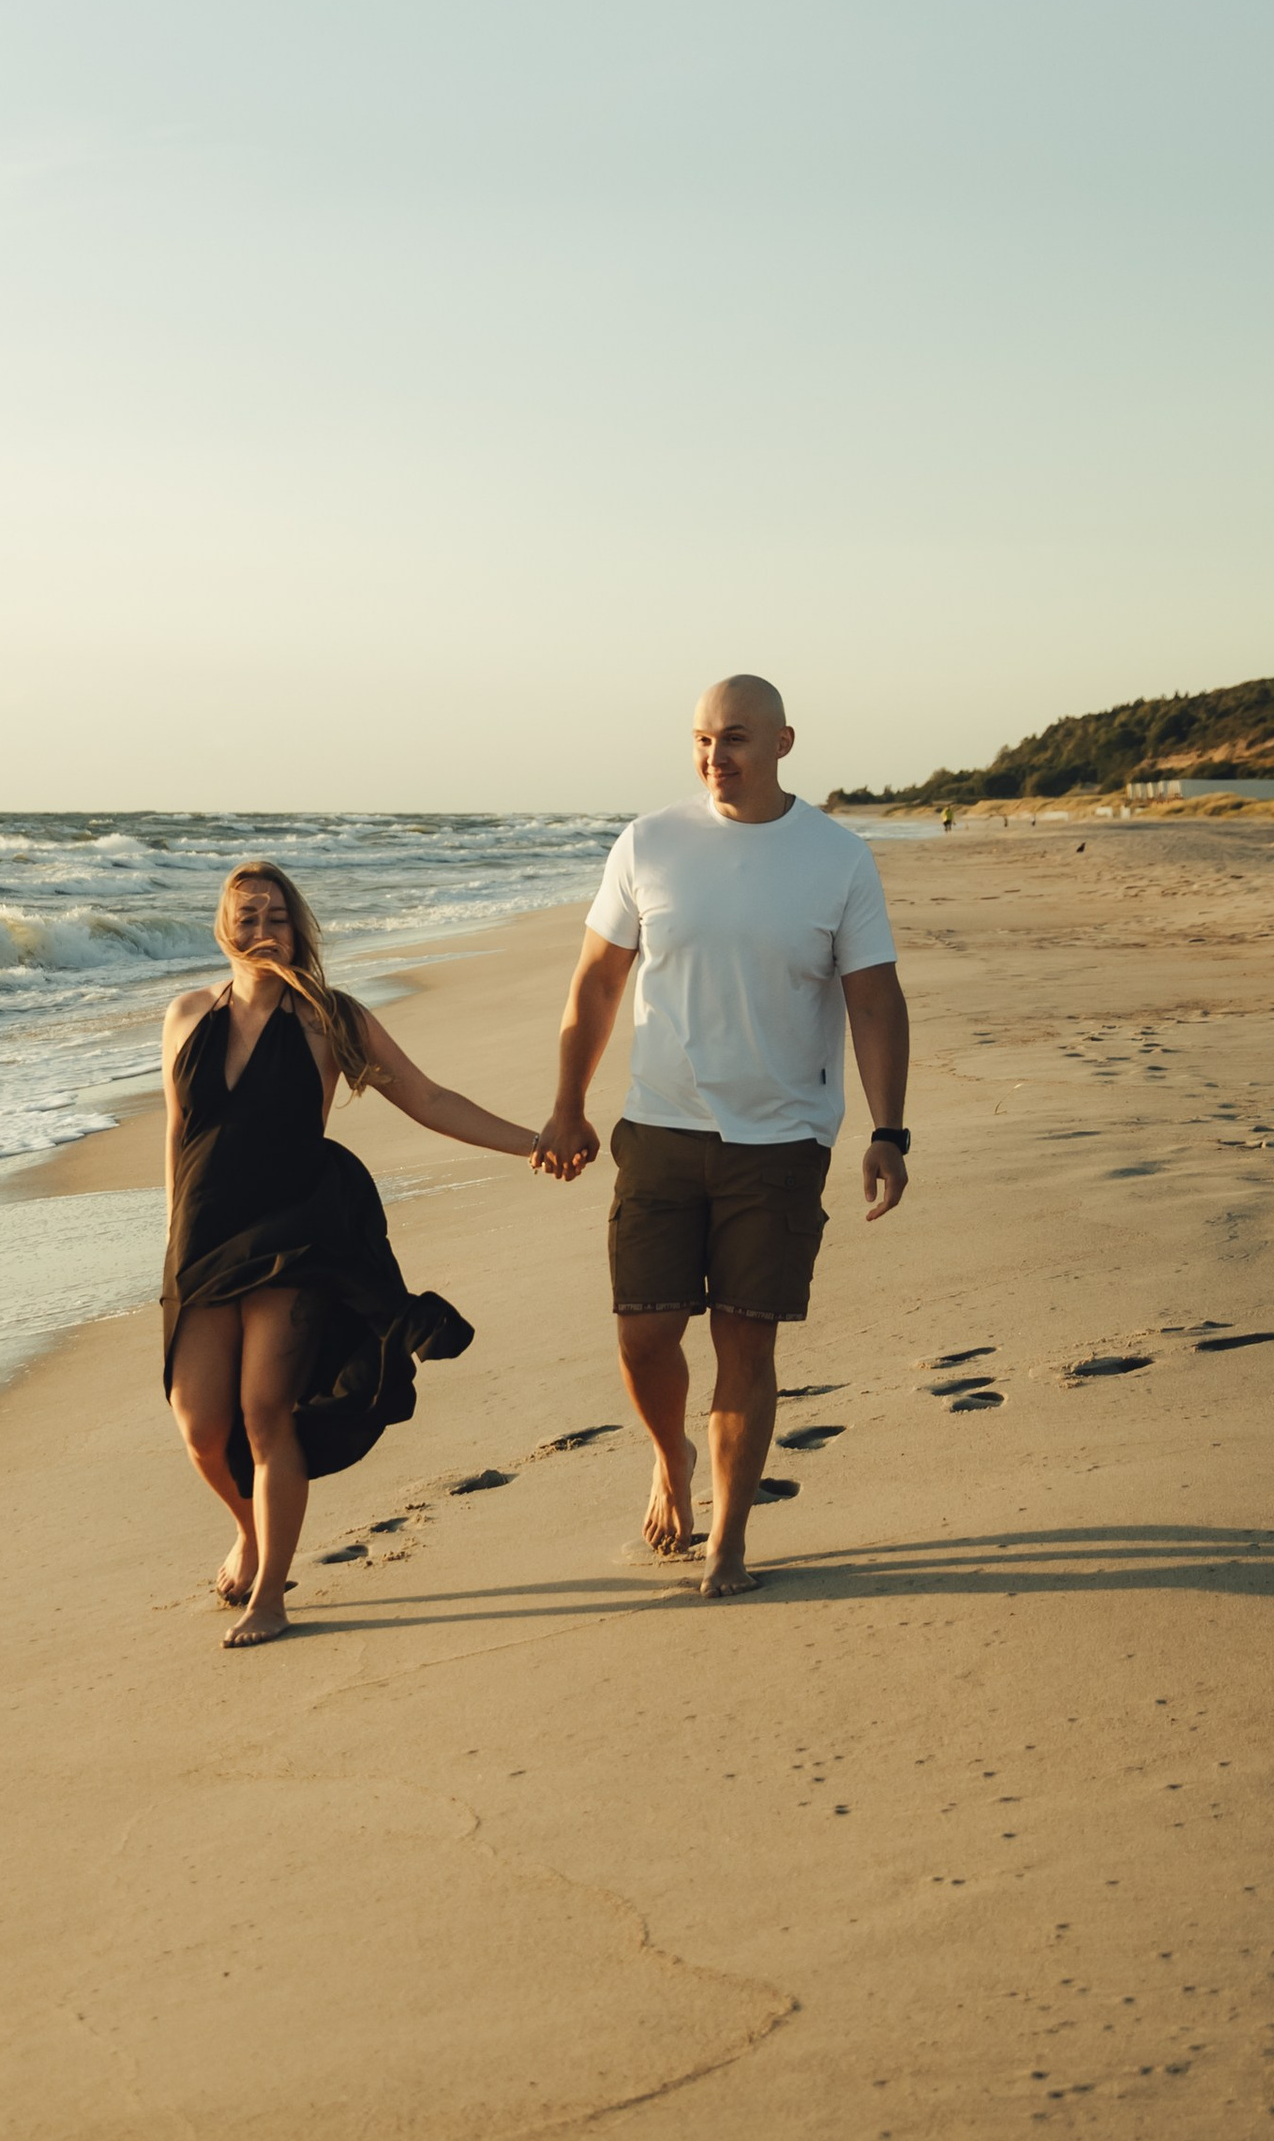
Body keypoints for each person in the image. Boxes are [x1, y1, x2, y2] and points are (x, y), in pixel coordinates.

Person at [538, 677, 911, 1600]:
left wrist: (889, 1129)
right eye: (702, 739)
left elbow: (874, 998)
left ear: (784, 742)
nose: (715, 756)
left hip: (781, 1143)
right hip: (660, 1128)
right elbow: (595, 983)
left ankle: (729, 1540)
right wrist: (567, 1102)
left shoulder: (836, 857)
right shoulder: (649, 843)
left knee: (748, 1346)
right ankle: (671, 1462)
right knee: (643, 1334)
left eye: (735, 738)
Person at [164, 863, 548, 1648]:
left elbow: (428, 1097)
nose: (261, 927)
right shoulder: (185, 1014)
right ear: (222, 926)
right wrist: (173, 1242)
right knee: (200, 1424)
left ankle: (269, 1595)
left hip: (296, 1231)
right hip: (205, 1236)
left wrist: (532, 1143)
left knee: (264, 1412)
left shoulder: (327, 1018)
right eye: (246, 915)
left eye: (276, 914)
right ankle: (250, 1528)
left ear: (298, 928)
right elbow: (180, 1136)